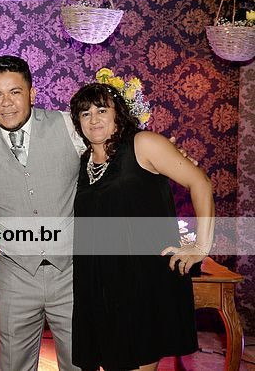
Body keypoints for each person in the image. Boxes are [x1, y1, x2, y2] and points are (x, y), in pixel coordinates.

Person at [69, 82, 214, 371]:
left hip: (142, 281)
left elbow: (200, 182)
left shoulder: (143, 144)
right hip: (99, 283)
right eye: (85, 114)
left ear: (118, 113)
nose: (94, 119)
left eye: (102, 110)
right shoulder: (83, 162)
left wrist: (201, 246)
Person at [0, 56, 85, 371]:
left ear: (31, 93)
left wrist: (155, 157)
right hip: (15, 276)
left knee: (81, 361)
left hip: (73, 273)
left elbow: (109, 160)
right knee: (13, 365)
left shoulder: (68, 125)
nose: (6, 103)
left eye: (15, 92)